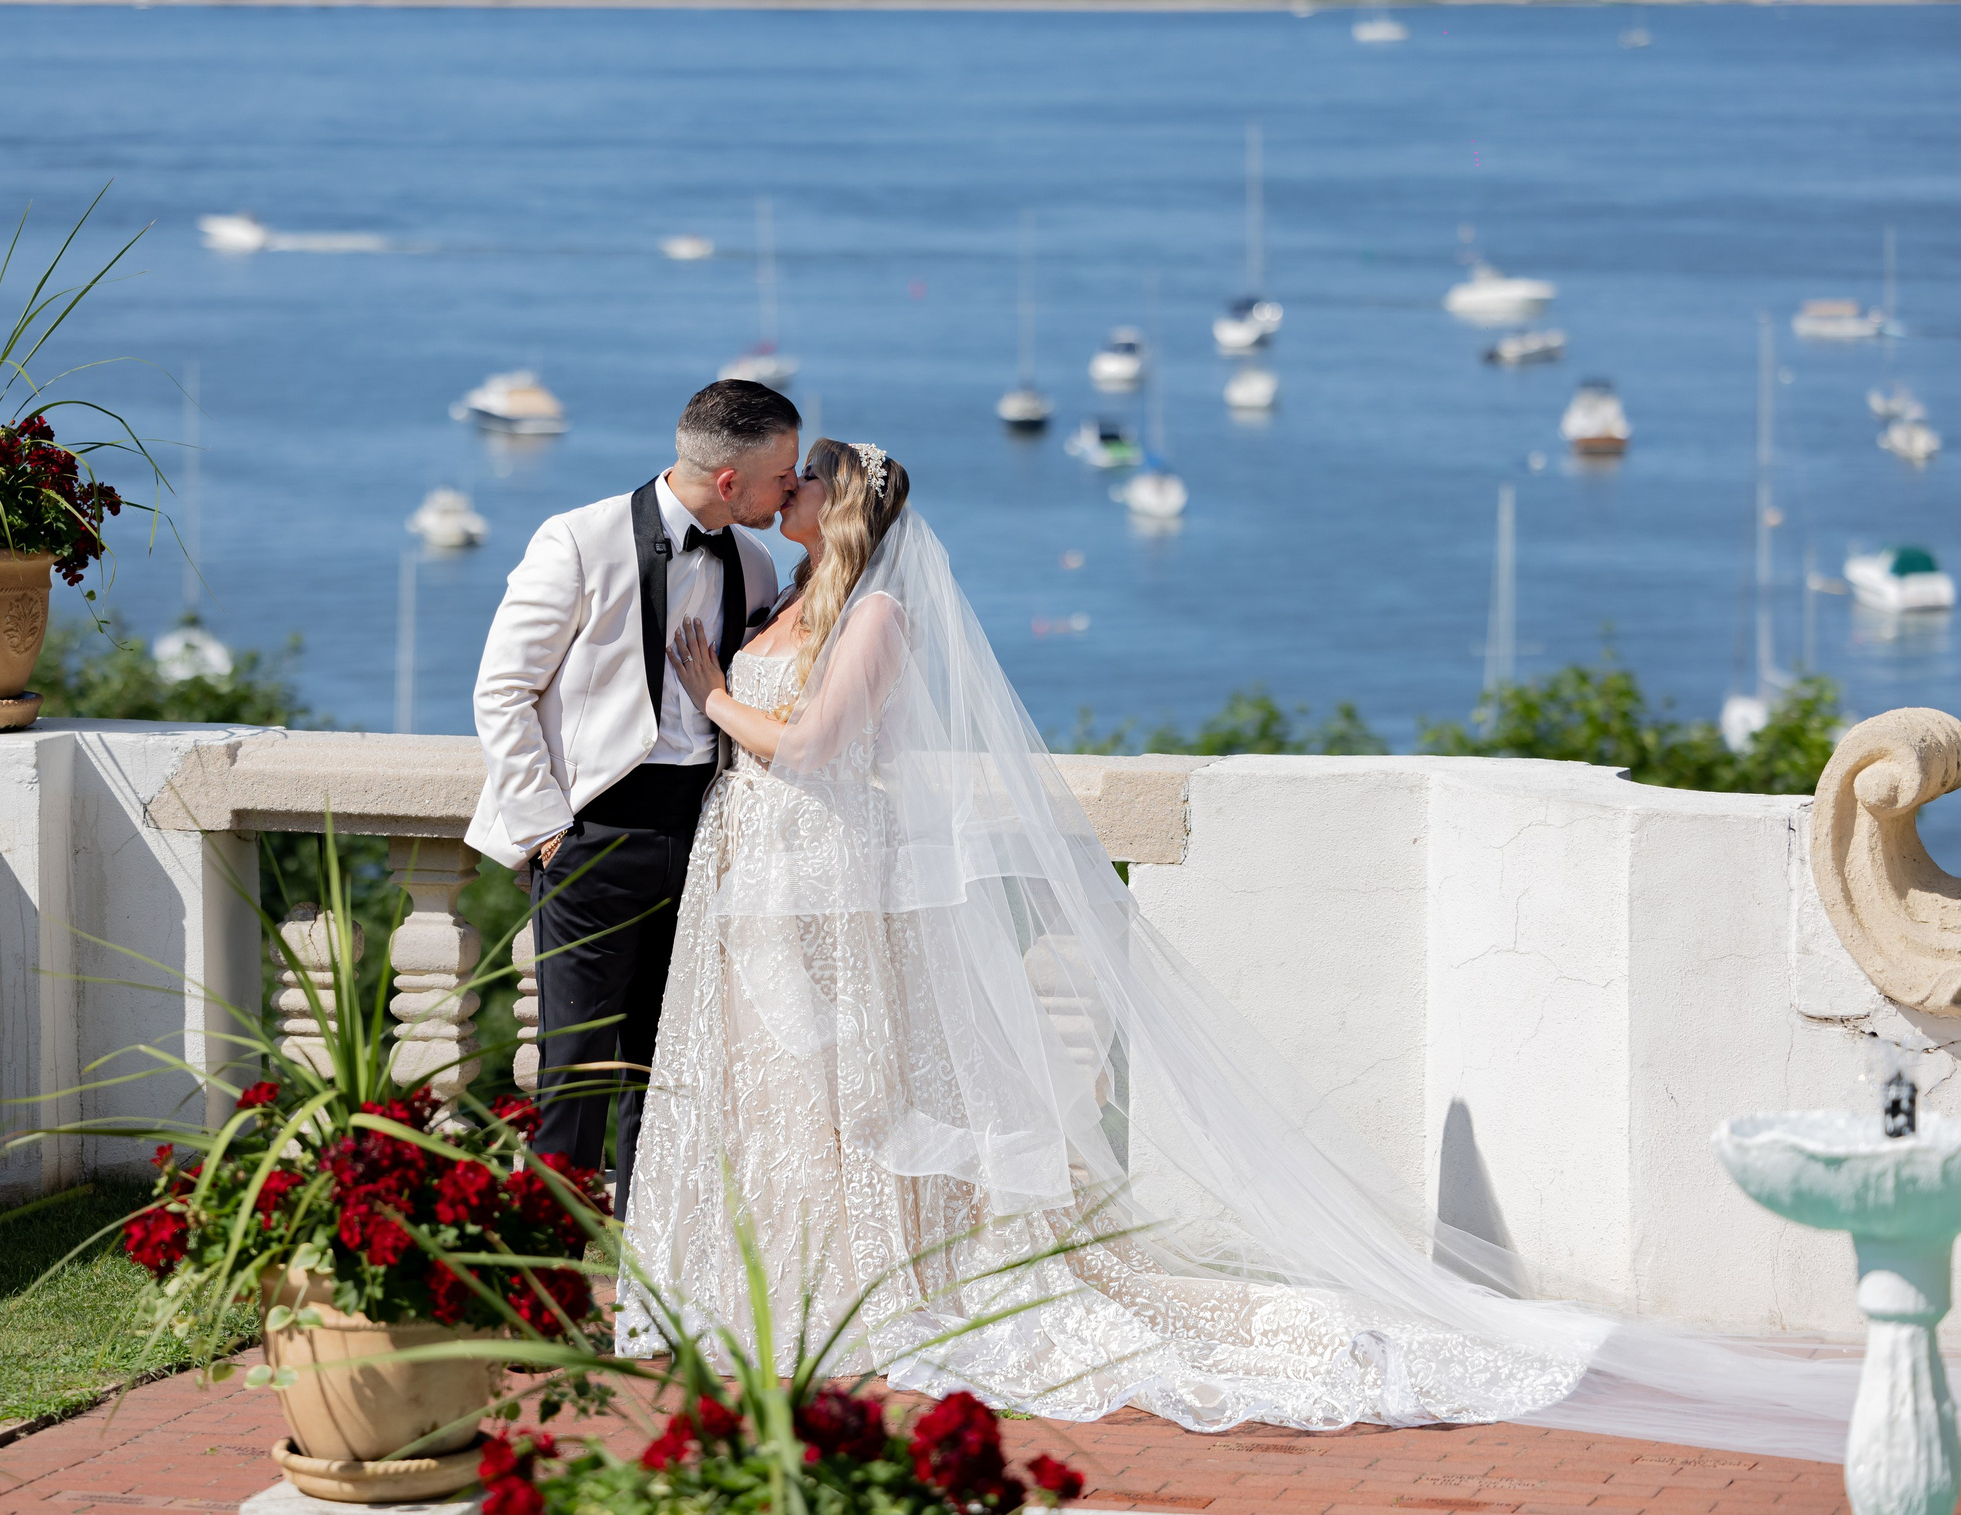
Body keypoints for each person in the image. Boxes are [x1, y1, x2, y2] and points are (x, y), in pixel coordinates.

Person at [621, 436, 1855, 1459]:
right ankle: (787, 1286)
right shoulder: (791, 599)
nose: (781, 494)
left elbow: (824, 746)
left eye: (801, 482)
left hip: (829, 883)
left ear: (838, 502)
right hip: (767, 881)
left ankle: (863, 1292)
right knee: (786, 1092)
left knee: (847, 1091)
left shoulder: (877, 611)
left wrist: (715, 694)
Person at [466, 379, 799, 1218]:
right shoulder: (577, 539)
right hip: (594, 835)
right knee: (573, 1068)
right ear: (730, 482)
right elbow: (502, 691)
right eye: (780, 476)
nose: (788, 492)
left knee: (670, 1063)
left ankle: (652, 1286)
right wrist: (547, 830)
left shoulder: (755, 563)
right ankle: (545, 1278)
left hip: (702, 830)